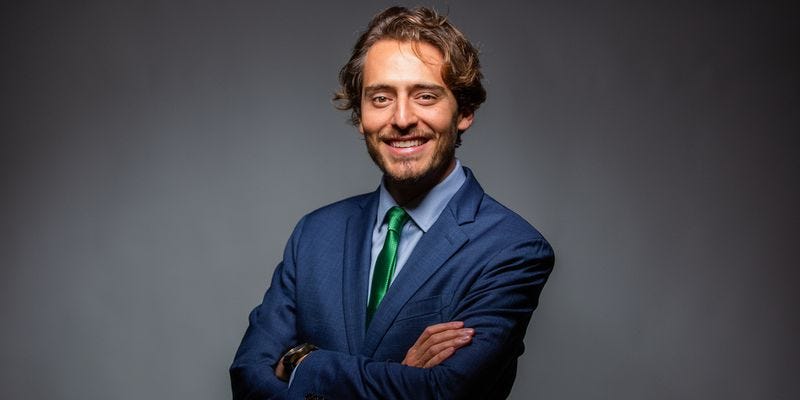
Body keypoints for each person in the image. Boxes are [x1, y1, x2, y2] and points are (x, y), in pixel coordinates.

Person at [230, 6, 554, 400]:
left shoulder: (512, 249)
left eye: (425, 95)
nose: (401, 118)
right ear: (360, 113)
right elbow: (248, 377)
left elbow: (442, 392)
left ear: (464, 111)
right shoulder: (314, 234)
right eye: (381, 97)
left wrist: (302, 362)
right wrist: (396, 379)